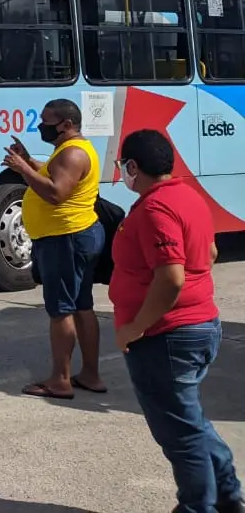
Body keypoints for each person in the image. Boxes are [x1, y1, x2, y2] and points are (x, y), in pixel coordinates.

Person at [111, 129, 241, 513]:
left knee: (180, 435)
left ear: (133, 166)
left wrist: (135, 328)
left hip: (166, 336)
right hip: (199, 325)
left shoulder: (154, 209)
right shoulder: (188, 196)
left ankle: (199, 506)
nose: (123, 173)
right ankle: (228, 496)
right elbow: (211, 251)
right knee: (191, 422)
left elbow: (171, 277)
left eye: (124, 166)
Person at [1, 98, 105, 400]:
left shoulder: (72, 153)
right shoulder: (70, 150)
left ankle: (60, 380)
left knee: (62, 310)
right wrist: (29, 162)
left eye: (47, 122)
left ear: (67, 125)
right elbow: (50, 176)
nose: (41, 126)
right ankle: (90, 374)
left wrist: (22, 168)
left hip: (65, 239)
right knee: (82, 305)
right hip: (74, 236)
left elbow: (56, 192)